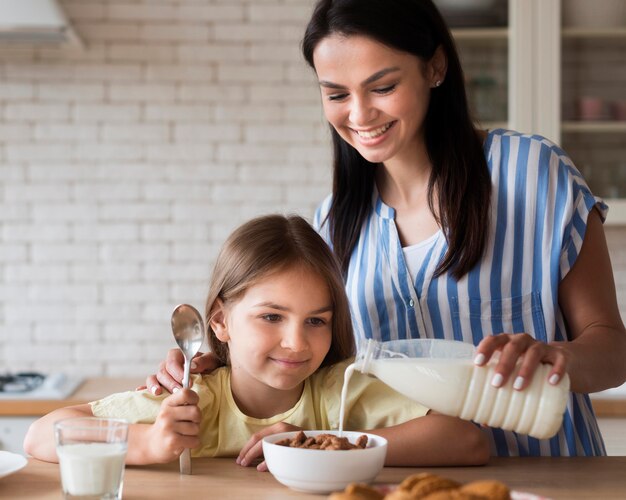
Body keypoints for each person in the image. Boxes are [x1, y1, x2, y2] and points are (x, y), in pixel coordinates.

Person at [145, 0, 626, 457]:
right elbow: (318, 373)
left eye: (382, 87)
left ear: (435, 67)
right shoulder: (333, 226)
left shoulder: (530, 173)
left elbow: (612, 350)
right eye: (336, 94)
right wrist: (220, 368)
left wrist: (554, 357)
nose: (359, 114)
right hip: (403, 481)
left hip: (556, 477)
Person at [24, 214, 489, 468]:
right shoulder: (194, 399)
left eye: (316, 321)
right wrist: (150, 445)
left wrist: (321, 443)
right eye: (271, 316)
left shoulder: (338, 391)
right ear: (221, 322)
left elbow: (468, 442)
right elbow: (39, 434)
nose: (296, 343)